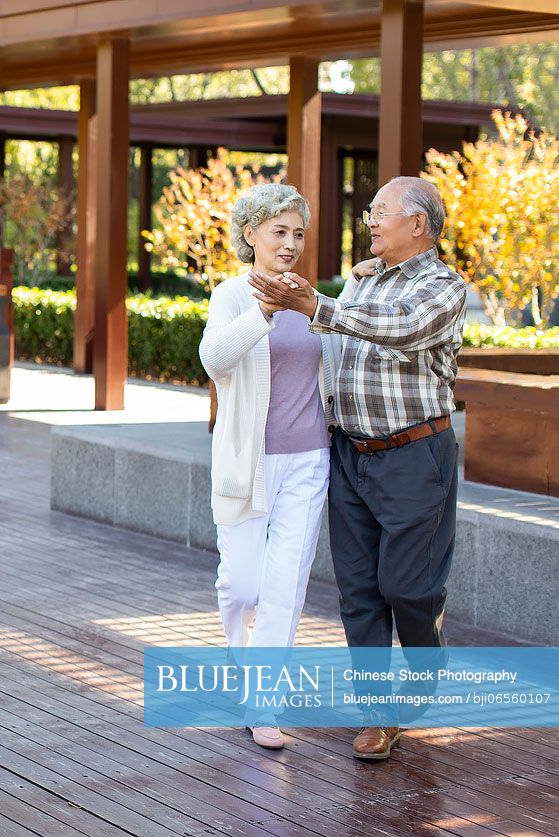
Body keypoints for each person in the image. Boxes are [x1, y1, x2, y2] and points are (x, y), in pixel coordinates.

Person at [249, 176, 467, 761]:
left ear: (417, 224)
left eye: (380, 212)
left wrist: (317, 304)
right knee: (359, 592)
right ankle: (378, 713)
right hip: (350, 455)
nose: (369, 220)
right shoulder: (363, 279)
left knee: (408, 589)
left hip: (415, 455)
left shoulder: (444, 286)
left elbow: (396, 330)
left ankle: (424, 670)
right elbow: (333, 345)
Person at [198, 183, 333, 750]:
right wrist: (263, 311)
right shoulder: (232, 295)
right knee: (242, 585)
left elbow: (337, 360)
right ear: (250, 234)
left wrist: (309, 308)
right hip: (247, 466)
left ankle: (263, 703)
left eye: (298, 233)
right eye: (280, 231)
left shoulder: (310, 298)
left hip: (309, 461)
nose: (291, 243)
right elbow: (214, 360)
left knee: (284, 587)